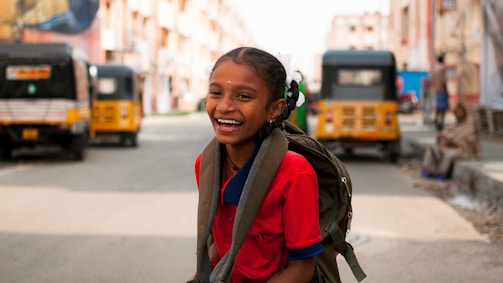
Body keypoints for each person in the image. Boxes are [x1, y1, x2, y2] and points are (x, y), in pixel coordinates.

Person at [192, 47, 322, 282]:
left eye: (243, 96)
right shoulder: (207, 164)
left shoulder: (295, 172)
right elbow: (224, 243)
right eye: (216, 93)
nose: (224, 106)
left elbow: (302, 269)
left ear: (274, 109)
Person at [421, 103, 480, 180]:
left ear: (464, 113)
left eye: (460, 112)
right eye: (457, 112)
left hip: (463, 150)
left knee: (449, 154)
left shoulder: (469, 126)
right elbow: (445, 134)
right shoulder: (454, 125)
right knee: (431, 150)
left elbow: (470, 141)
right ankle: (429, 171)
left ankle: (441, 173)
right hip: (447, 146)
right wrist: (441, 138)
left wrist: (454, 142)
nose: (459, 114)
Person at [432, 54, 449, 131]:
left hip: (436, 90)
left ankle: (436, 121)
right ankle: (441, 122)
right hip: (442, 90)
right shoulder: (443, 68)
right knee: (443, 108)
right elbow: (444, 80)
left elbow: (432, 80)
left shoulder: (435, 68)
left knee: (438, 108)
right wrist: (446, 91)